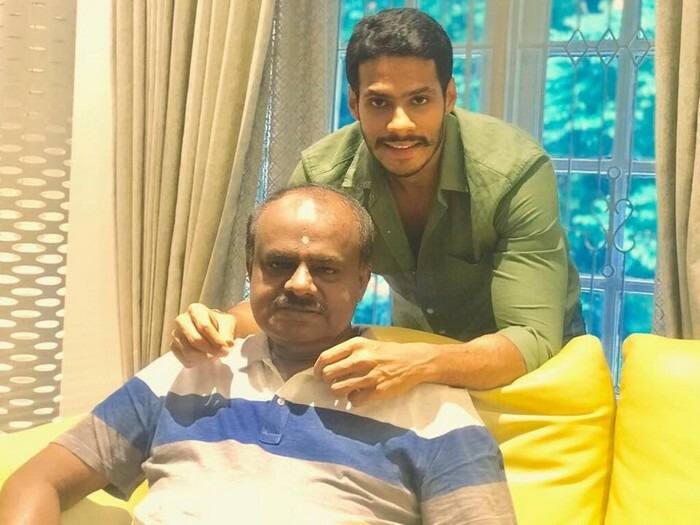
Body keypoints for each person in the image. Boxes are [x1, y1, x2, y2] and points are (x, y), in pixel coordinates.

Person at [0, 185, 516, 524]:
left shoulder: (434, 409)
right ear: (250, 270)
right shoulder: (187, 369)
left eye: (325, 269)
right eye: (278, 263)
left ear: (362, 282)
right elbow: (38, 480)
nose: (299, 284)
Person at [170, 8, 584, 402]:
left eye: (419, 100)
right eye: (379, 103)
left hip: (522, 366)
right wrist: (217, 325)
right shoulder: (325, 174)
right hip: (416, 351)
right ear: (354, 104)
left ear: (449, 97)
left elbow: (531, 336)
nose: (400, 124)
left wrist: (421, 363)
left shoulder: (515, 172)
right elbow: (286, 294)